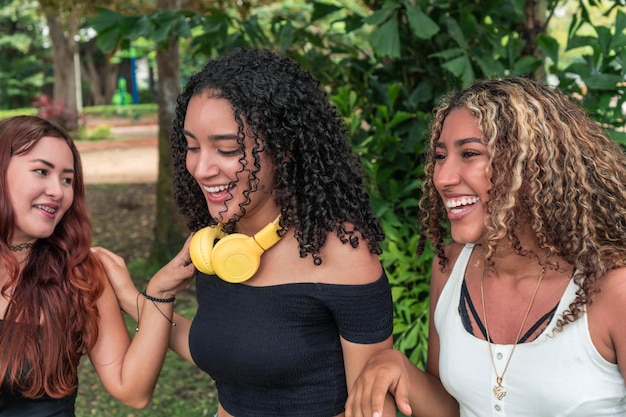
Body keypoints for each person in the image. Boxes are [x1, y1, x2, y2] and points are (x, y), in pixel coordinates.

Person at [101, 47, 396, 417]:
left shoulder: (341, 252)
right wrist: (145, 296)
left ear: (283, 148)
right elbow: (229, 352)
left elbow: (373, 406)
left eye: (227, 149)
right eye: (191, 147)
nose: (201, 168)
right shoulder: (214, 244)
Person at [345, 77, 626, 417]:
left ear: (532, 163)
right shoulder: (450, 268)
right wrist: (396, 366)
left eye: (470, 154)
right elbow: (451, 408)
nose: (442, 177)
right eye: (440, 155)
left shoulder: (612, 289)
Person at [0, 115, 195, 416]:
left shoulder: (79, 274)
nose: (58, 191)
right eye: (42, 171)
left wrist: (159, 293)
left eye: (67, 179)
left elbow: (132, 390)